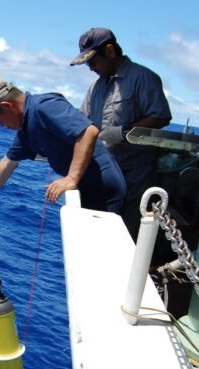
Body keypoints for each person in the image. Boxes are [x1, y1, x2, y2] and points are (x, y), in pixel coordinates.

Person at [70, 28, 172, 239]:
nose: (90, 68)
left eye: (92, 62)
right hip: (103, 174)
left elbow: (160, 116)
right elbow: (83, 121)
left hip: (134, 176)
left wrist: (124, 132)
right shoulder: (95, 87)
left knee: (125, 234)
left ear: (109, 51)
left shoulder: (142, 78)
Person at [0, 76, 126, 213]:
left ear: (7, 106)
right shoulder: (25, 128)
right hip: (88, 189)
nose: (1, 125)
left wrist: (71, 178)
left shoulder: (44, 106)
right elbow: (8, 162)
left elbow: (89, 132)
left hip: (103, 190)